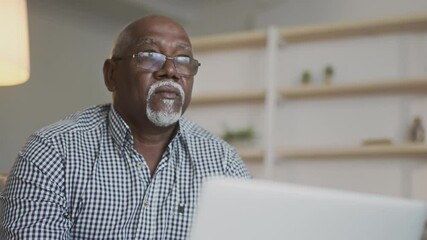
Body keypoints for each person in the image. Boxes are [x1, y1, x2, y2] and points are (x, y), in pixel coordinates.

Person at [0, 15, 251, 239]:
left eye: (183, 60)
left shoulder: (223, 164)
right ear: (111, 75)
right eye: (150, 56)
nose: (170, 71)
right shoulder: (53, 152)